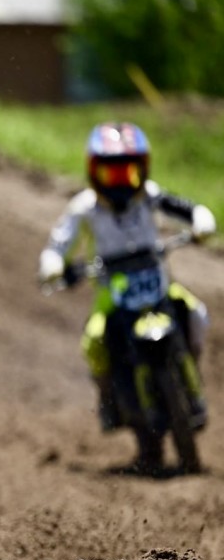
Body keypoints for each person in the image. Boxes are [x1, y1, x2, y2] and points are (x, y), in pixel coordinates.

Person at [38, 121, 216, 434]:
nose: (120, 182)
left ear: (143, 169)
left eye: (128, 173)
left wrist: (200, 220)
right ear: (94, 171)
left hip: (158, 282)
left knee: (196, 316)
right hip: (112, 291)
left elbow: (183, 208)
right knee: (94, 342)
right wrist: (52, 265)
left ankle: (190, 375)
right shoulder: (85, 208)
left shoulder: (148, 195)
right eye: (112, 173)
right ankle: (108, 399)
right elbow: (58, 244)